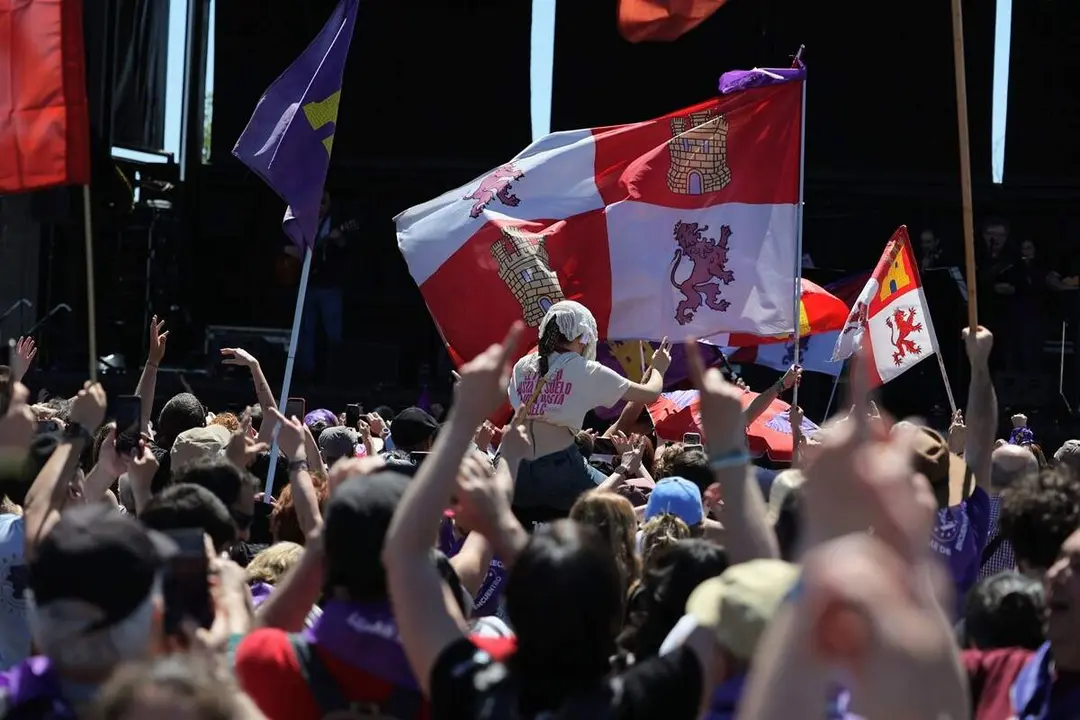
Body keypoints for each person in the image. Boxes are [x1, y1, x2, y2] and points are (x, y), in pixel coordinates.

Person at [507, 301, 671, 527]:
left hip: (515, 470)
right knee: (629, 504)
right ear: (581, 336)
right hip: (562, 472)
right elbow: (650, 394)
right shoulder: (585, 370)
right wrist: (659, 368)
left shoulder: (521, 366)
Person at [293, 191, 355, 380]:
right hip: (308, 283)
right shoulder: (305, 221)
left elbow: (346, 250)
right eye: (316, 202)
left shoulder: (334, 223)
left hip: (329, 285)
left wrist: (339, 239)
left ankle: (335, 374)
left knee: (333, 332)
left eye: (323, 202)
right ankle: (306, 374)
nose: (319, 206)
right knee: (306, 331)